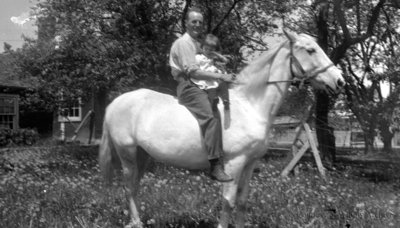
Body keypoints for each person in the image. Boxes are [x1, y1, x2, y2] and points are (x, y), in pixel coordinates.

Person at [169, 7, 235, 182]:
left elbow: (208, 54)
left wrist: (220, 58)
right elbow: (193, 72)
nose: (197, 25)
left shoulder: (196, 43)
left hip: (200, 84)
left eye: (200, 22)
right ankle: (214, 166)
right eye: (193, 21)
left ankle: (227, 154)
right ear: (186, 23)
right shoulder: (184, 43)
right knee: (210, 117)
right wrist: (221, 75)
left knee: (220, 107)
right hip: (189, 86)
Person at [191, 33, 232, 129]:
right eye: (206, 49)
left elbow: (226, 61)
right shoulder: (198, 57)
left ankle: (226, 103)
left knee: (223, 84)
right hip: (207, 80)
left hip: (215, 79)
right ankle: (212, 106)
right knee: (212, 91)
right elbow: (197, 70)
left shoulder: (213, 57)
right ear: (202, 47)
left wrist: (216, 54)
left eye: (211, 49)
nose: (208, 51)